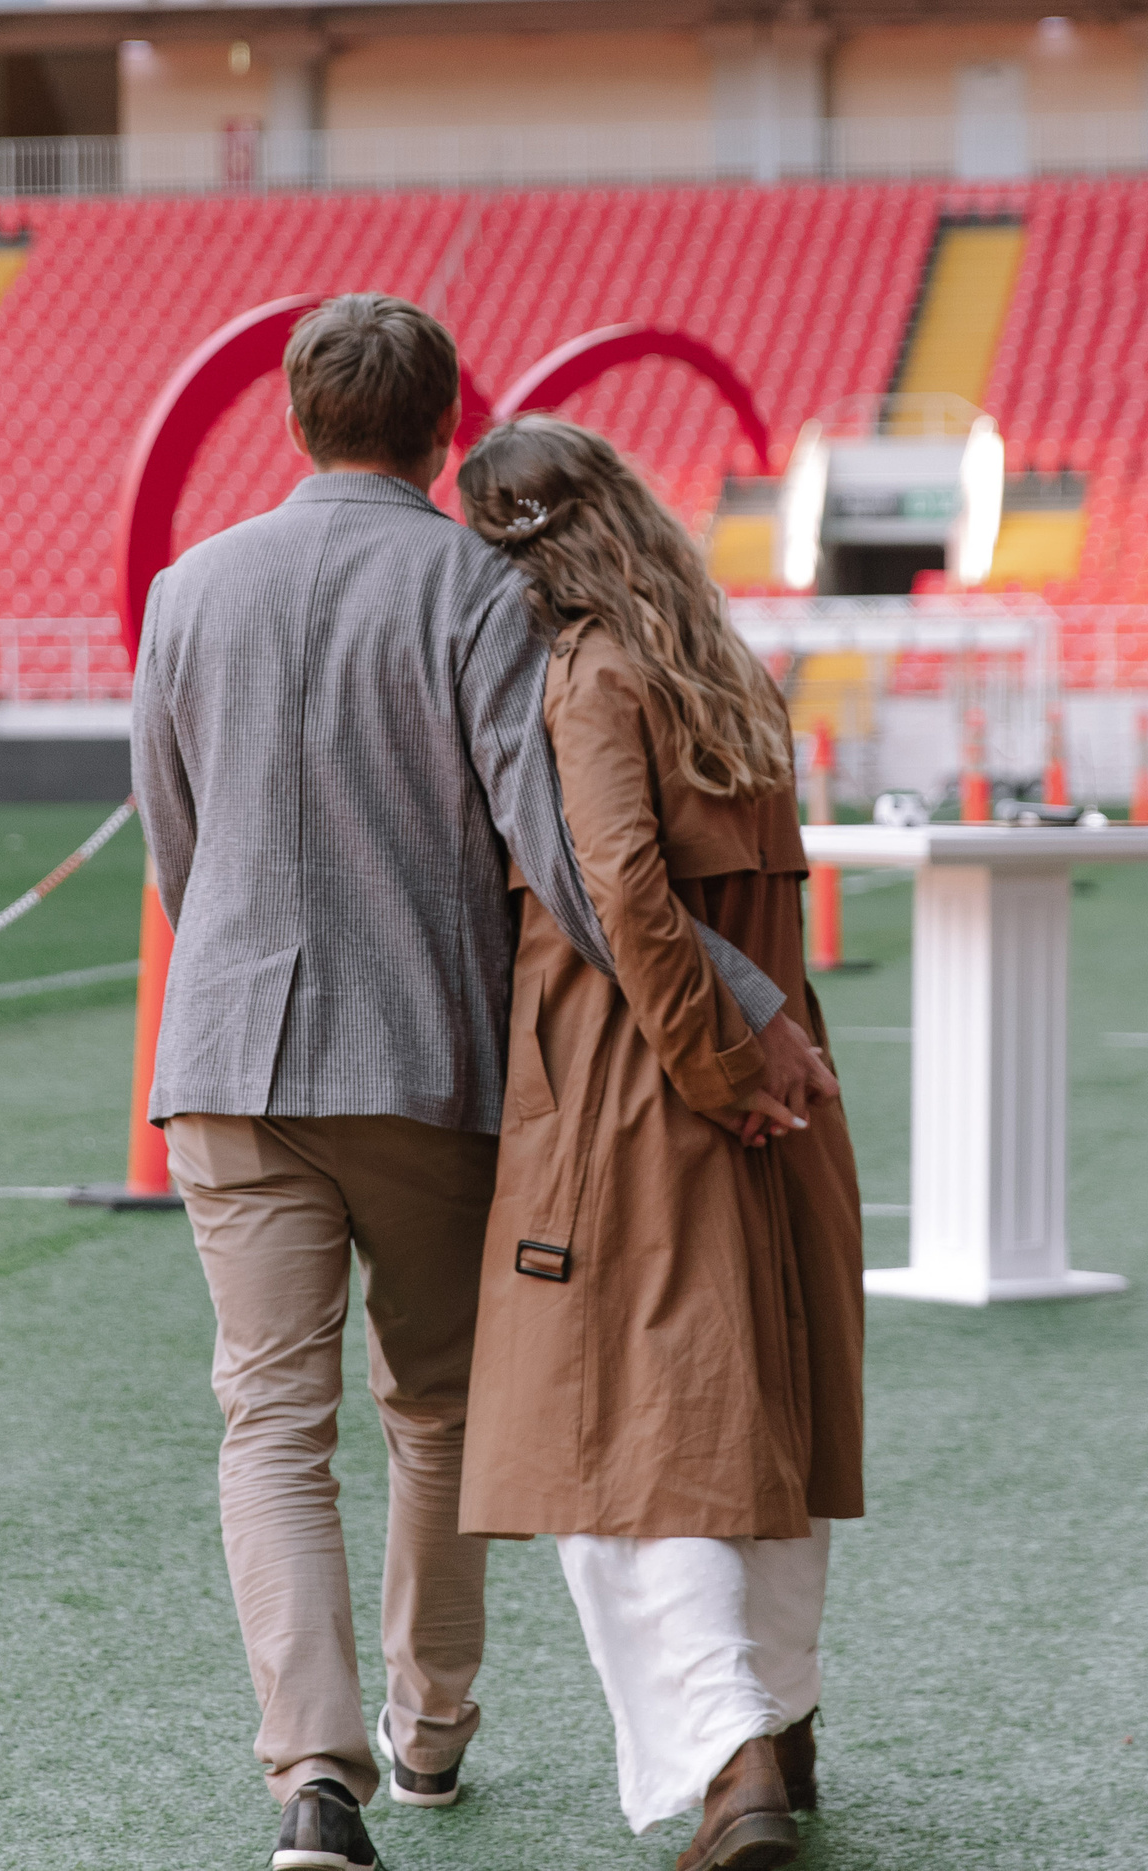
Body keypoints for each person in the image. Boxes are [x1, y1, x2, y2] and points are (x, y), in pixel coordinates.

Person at [130, 296, 835, 1871]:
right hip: (430, 1069)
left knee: (267, 1423)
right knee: (436, 1414)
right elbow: (576, 862)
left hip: (231, 1063)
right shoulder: (477, 593)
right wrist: (741, 997)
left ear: (296, 420)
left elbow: (177, 844)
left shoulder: (189, 590)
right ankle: (429, 1735)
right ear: (444, 429)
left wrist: (240, 979)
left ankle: (314, 1781)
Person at [453, 415, 865, 1871]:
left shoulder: (590, 674)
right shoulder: (728, 668)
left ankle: (728, 1757)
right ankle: (789, 1721)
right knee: (765, 1408)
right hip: (782, 1081)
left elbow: (620, 888)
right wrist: (764, 1057)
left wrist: (711, 1060)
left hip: (644, 1091)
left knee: (619, 1444)